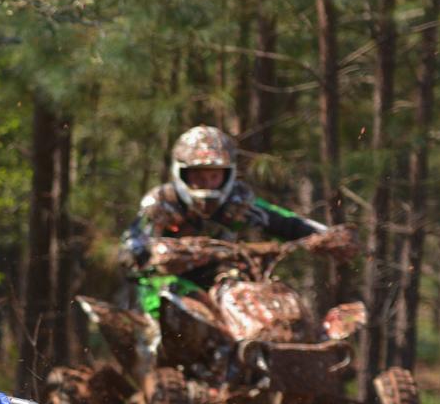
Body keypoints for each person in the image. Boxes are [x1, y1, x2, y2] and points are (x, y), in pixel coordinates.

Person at [121, 125, 356, 313]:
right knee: (168, 297)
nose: (207, 184)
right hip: (164, 284)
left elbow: (285, 221)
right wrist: (142, 252)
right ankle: (152, 356)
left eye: (214, 176)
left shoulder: (239, 202)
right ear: (182, 173)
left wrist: (327, 236)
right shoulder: (161, 203)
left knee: (257, 298)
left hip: (221, 280)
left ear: (228, 175)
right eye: (199, 176)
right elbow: (133, 241)